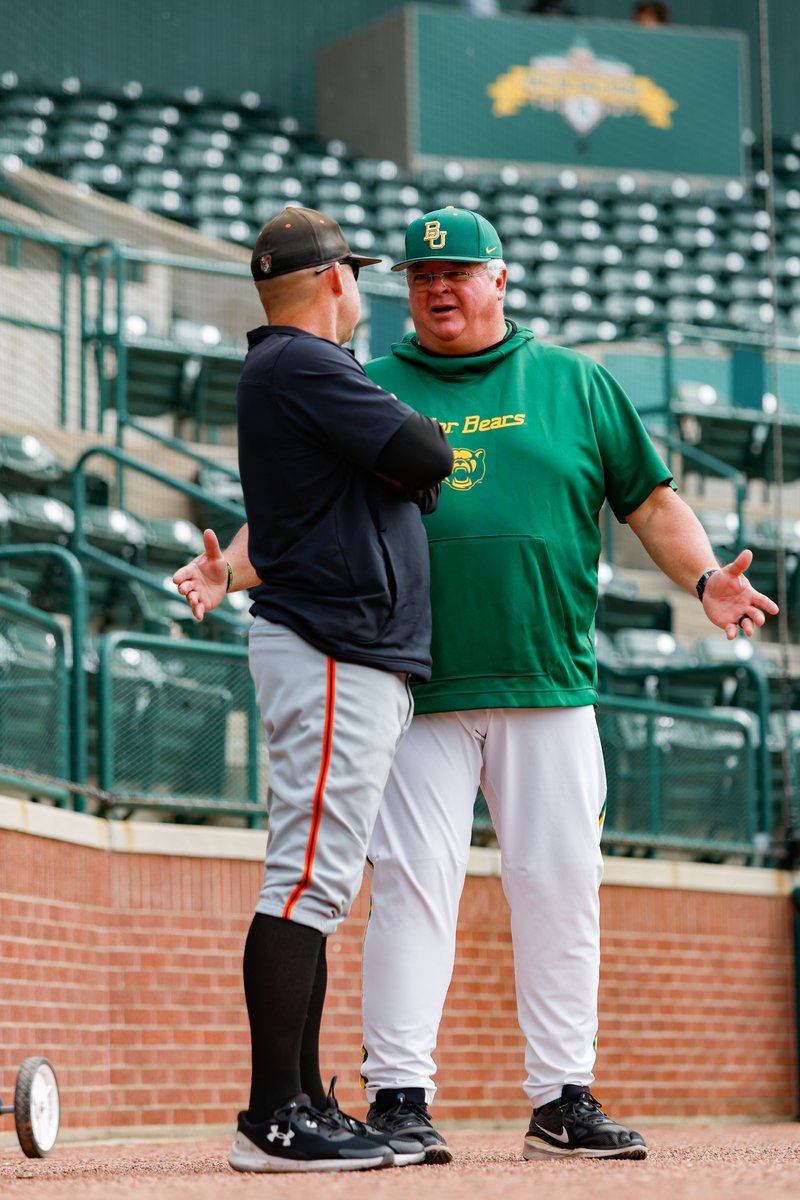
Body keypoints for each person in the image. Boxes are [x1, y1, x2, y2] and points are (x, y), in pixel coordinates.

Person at [175, 206, 778, 1166]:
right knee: (412, 888)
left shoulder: (573, 381)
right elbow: (295, 509)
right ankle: (401, 1095)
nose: (437, 287)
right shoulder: (363, 378)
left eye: (457, 271)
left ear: (501, 279)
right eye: (419, 276)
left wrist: (704, 579)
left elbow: (650, 500)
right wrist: (228, 571)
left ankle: (561, 1096)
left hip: (548, 676)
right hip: (416, 682)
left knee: (561, 886)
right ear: (395, 289)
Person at [173, 205, 453, 1174]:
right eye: (362, 277)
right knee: (306, 878)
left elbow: (404, 470)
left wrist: (399, 474)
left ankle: (299, 1101)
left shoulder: (287, 368)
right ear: (339, 278)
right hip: (332, 643)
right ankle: (271, 1118)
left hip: (340, 645)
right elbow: (428, 456)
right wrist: (405, 471)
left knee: (317, 881)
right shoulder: (304, 361)